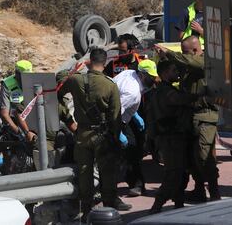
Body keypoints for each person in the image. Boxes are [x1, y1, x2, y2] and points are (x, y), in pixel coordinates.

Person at [58, 48, 132, 221]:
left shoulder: (76, 80)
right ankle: (108, 211)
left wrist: (75, 69)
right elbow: (116, 115)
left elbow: (60, 80)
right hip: (104, 136)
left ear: (89, 61)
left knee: (84, 172)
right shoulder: (110, 84)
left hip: (83, 134)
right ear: (105, 63)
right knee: (107, 173)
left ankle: (86, 211)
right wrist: (115, 137)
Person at [155, 36, 221, 202]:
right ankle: (199, 190)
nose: (183, 56)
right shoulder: (187, 64)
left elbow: (191, 63)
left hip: (205, 115)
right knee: (191, 158)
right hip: (189, 116)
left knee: (203, 155)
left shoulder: (205, 61)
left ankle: (214, 194)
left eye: (185, 52)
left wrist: (169, 53)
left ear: (195, 50)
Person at [149, 60, 198, 214]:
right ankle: (157, 205)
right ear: (164, 73)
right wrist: (201, 93)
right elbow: (181, 100)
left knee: (181, 173)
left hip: (174, 137)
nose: (177, 73)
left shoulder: (162, 90)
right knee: (174, 173)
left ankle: (179, 204)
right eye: (174, 70)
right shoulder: (165, 91)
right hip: (171, 138)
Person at [113, 59, 158, 197]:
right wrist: (118, 132)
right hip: (115, 120)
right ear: (143, 75)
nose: (154, 79)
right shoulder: (132, 92)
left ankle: (136, 184)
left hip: (125, 114)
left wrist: (134, 114)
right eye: (151, 77)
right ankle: (112, 191)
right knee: (125, 152)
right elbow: (115, 112)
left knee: (133, 151)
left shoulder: (129, 73)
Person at [0, 60, 36, 142]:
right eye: (24, 76)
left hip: (34, 121)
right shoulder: (7, 84)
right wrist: (20, 133)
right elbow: (4, 114)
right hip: (15, 124)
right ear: (17, 74)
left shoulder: (35, 81)